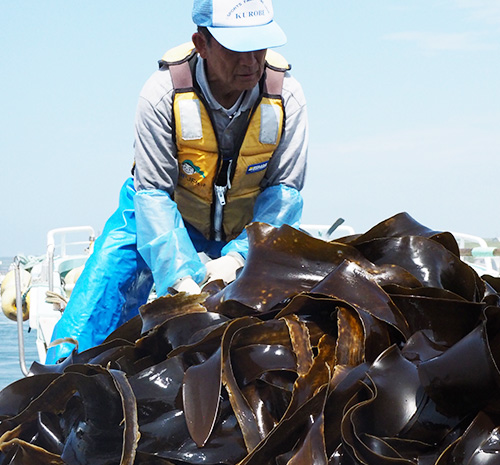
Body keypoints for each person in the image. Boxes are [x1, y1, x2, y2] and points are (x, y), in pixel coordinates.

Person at [45, 0, 308, 364]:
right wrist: (182, 279)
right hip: (159, 217)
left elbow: (284, 196)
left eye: (259, 47)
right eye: (236, 49)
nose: (250, 62)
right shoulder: (160, 94)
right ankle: (62, 379)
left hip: (247, 228)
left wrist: (238, 258)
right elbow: (153, 194)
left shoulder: (286, 96)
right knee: (93, 305)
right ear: (202, 44)